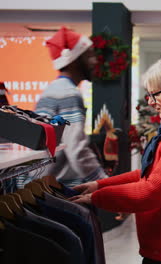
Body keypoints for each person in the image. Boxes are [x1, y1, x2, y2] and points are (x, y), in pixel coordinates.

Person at [70, 56, 161, 264]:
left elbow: (153, 191)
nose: (150, 102)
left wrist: (98, 197)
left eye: (154, 94)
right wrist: (98, 185)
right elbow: (148, 175)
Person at [35, 26, 108, 187]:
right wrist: (105, 185)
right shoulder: (68, 94)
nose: (95, 61)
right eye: (90, 55)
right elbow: (76, 149)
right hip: (60, 189)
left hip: (45, 185)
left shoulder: (54, 89)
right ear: (74, 60)